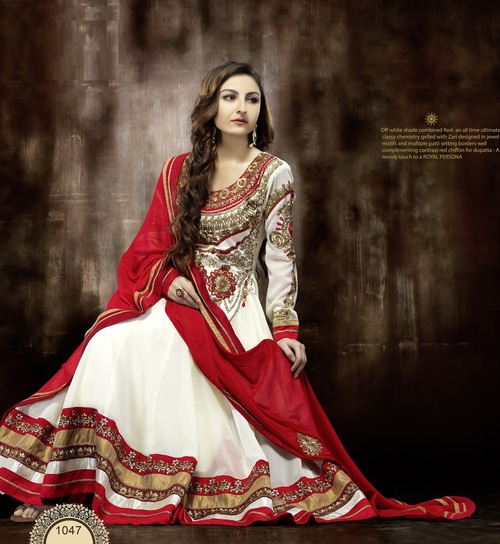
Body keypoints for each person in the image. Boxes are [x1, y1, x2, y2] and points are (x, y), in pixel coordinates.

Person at [0, 62, 474, 525]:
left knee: (215, 393)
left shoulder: (274, 173)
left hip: (235, 311)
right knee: (108, 344)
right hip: (181, 299)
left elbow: (281, 258)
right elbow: (149, 246)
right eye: (230, 97)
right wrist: (167, 281)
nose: (241, 107)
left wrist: (285, 329)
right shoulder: (178, 170)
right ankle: (61, 488)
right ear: (212, 107)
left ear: (261, 110)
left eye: (252, 99)